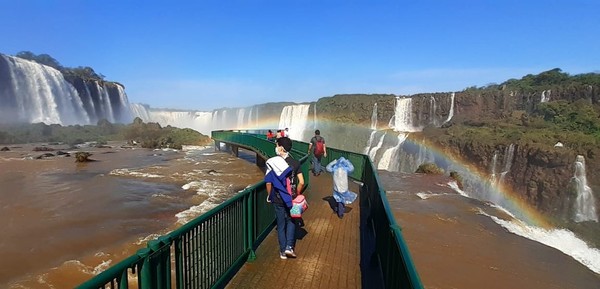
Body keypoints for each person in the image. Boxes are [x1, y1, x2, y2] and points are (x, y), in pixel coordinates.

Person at [264, 137, 305, 259]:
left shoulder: (272, 163)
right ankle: (289, 247)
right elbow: (302, 182)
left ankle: (282, 252)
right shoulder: (296, 162)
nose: (276, 147)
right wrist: (296, 194)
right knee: (292, 221)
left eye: (277, 145)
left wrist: (269, 196)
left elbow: (268, 183)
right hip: (292, 199)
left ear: (281, 148)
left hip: (278, 199)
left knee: (281, 225)